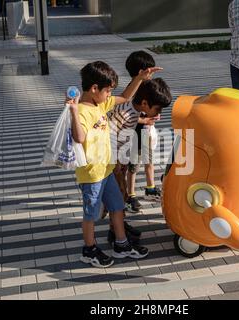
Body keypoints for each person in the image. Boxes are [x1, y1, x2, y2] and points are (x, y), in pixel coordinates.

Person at [68, 61, 161, 268]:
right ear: (94, 89)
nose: (110, 95)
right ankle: (89, 249)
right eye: (108, 90)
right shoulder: (82, 110)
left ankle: (121, 245)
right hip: (92, 175)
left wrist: (139, 78)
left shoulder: (100, 103)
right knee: (91, 214)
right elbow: (78, 136)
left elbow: (126, 97)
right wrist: (73, 111)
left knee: (117, 206)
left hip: (107, 170)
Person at [107, 77, 172, 245]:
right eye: (157, 109)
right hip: (110, 162)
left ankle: (119, 225)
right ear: (144, 103)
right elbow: (111, 137)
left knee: (121, 197)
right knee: (118, 198)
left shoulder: (131, 108)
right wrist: (117, 166)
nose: (159, 114)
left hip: (116, 160)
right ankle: (116, 233)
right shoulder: (127, 116)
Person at [125, 51, 164, 213]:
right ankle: (130, 195)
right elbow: (128, 114)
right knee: (133, 166)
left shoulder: (148, 86)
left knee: (150, 162)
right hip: (137, 136)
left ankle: (150, 188)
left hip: (149, 133)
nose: (151, 74)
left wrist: (154, 114)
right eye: (149, 71)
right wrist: (144, 120)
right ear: (141, 71)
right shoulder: (132, 90)